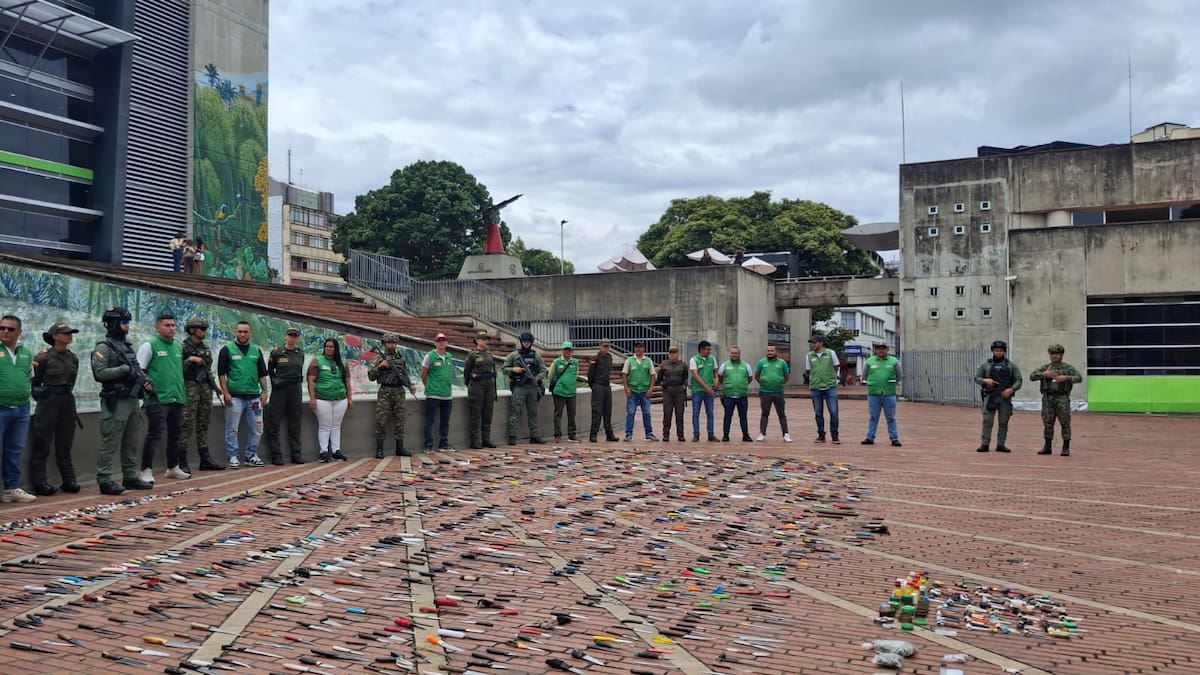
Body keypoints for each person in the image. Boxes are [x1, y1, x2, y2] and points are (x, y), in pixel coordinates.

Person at [91, 307, 150, 495]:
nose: (127, 327)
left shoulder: (127, 347)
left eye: (128, 323)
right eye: (124, 323)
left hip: (131, 400)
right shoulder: (103, 348)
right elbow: (99, 373)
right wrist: (123, 370)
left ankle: (130, 476)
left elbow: (137, 369)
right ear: (114, 324)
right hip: (115, 401)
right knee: (110, 442)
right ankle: (105, 479)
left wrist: (146, 380)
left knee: (131, 442)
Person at [28, 322, 81, 496]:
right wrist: (43, 397)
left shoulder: (73, 358)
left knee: (65, 443)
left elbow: (72, 381)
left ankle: (69, 480)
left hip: (67, 401)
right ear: (55, 336)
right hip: (49, 402)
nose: (69, 336)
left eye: (70, 333)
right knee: (42, 443)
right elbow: (34, 383)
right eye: (65, 333)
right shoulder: (42, 358)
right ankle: (40, 482)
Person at [137, 313, 189, 484]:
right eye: (167, 325)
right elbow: (139, 370)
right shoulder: (149, 345)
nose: (172, 328)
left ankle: (173, 467)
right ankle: (145, 469)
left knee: (175, 434)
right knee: (154, 434)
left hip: (176, 398)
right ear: (157, 327)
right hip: (157, 399)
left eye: (173, 325)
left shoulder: (178, 347)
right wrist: (147, 387)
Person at [218, 320, 269, 467]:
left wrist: (265, 391)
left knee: (257, 427)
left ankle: (251, 455)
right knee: (232, 428)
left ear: (250, 333)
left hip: (254, 397)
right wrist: (226, 393)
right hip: (235, 397)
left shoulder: (256, 350)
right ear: (235, 332)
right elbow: (221, 374)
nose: (242, 334)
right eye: (240, 331)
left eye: (245, 331)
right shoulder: (227, 350)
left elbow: (262, 374)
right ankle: (233, 456)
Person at [0, 315, 36, 503]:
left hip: (21, 409)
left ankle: (11, 488)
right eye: (2, 327)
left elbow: (28, 377)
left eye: (10, 329)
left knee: (14, 450)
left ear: (19, 332)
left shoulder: (26, 353)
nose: (5, 331)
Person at [181, 316, 223, 471]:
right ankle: (182, 459)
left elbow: (208, 370)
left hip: (205, 388)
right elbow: (177, 369)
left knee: (203, 424)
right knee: (187, 424)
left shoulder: (205, 348)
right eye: (202, 329)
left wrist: (215, 386)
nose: (204, 331)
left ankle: (205, 458)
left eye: (205, 328)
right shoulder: (183, 347)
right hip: (190, 387)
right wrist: (189, 360)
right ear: (192, 330)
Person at [369, 332, 417, 457]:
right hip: (385, 391)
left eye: (393, 342)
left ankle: (400, 448)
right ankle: (379, 449)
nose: (391, 345)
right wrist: (380, 366)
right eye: (389, 342)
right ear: (384, 344)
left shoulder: (400, 358)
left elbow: (404, 374)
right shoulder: (379, 358)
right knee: (381, 420)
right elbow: (371, 376)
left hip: (399, 391)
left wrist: (410, 385)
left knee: (400, 420)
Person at [1032, 344, 1082, 457]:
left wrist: (1066, 378)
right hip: (1048, 398)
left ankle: (1065, 447)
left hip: (1062, 397)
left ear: (1061, 355)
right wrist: (1043, 374)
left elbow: (1079, 378)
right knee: (1048, 422)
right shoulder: (1045, 367)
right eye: (1052, 354)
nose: (1054, 356)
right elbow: (1032, 376)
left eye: (1057, 354)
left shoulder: (1067, 368)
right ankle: (1047, 446)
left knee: (1065, 422)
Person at [265, 327, 306, 464]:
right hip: (280, 389)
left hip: (295, 389)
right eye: (290, 335)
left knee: (295, 423)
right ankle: (276, 454)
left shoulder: (300, 353)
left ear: (297, 338)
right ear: (285, 337)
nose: (292, 338)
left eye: (295, 336)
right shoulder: (277, 352)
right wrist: (275, 382)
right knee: (274, 422)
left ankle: (296, 454)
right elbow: (270, 371)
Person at [308, 337, 352, 462]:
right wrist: (312, 398)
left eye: (331, 347)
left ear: (336, 348)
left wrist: (350, 398)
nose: (329, 348)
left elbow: (347, 381)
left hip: (340, 399)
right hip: (322, 399)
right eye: (327, 346)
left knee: (336, 426)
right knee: (324, 426)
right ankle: (323, 452)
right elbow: (310, 381)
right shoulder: (317, 361)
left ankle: (336, 450)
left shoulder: (343, 363)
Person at [975, 340, 1022, 453]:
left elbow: (1019, 380)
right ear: (992, 351)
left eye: (1001, 351)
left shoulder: (1011, 366)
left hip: (1004, 398)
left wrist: (1011, 389)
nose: (998, 353)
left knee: (1003, 422)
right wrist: (985, 380)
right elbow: (976, 378)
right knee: (987, 421)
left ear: (1004, 352)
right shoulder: (986, 365)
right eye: (996, 350)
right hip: (990, 397)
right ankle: (985, 444)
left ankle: (1001, 444)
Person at [503, 331, 545, 445]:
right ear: (521, 342)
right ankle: (512, 436)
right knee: (516, 411)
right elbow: (504, 369)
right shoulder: (514, 355)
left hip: (532, 387)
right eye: (524, 342)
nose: (526, 344)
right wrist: (514, 370)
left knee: (533, 413)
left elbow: (543, 371)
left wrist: (537, 378)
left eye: (528, 342)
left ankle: (534, 435)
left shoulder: (536, 355)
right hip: (519, 386)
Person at [862, 342, 902, 447]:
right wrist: (873, 383)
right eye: (879, 348)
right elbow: (864, 376)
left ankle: (894, 438)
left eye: (883, 348)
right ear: (875, 350)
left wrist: (892, 382)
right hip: (873, 393)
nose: (881, 350)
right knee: (873, 417)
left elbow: (900, 375)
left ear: (887, 350)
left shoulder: (893, 361)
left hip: (889, 394)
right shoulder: (870, 361)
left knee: (891, 417)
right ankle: (870, 437)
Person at [461, 331, 497, 450]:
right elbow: (467, 372)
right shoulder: (472, 354)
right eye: (481, 339)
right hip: (477, 385)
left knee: (488, 413)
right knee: (476, 414)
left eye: (485, 339)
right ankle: (475, 441)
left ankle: (486, 439)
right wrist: (470, 385)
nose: (484, 341)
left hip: (489, 385)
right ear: (476, 340)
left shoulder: (489, 354)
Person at [421, 333, 456, 451]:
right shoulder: (430, 356)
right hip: (433, 394)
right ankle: (428, 445)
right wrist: (430, 386)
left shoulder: (450, 356)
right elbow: (423, 374)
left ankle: (443, 444)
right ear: (435, 343)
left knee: (445, 421)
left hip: (447, 394)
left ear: (447, 343)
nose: (441, 343)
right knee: (429, 420)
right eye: (439, 341)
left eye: (443, 341)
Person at [805, 335, 840, 444]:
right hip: (816, 387)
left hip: (830, 386)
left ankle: (834, 435)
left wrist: (831, 377)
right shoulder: (809, 355)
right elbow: (809, 370)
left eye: (814, 342)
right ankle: (821, 435)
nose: (813, 345)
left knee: (834, 412)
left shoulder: (830, 353)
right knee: (818, 413)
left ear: (821, 343)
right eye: (812, 343)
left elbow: (836, 366)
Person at [755, 344, 791, 442]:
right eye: (768, 351)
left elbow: (786, 376)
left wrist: (779, 383)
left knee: (781, 414)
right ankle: (762, 433)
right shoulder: (761, 362)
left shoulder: (782, 363)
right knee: (765, 413)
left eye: (772, 351)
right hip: (765, 392)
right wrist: (764, 383)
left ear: (776, 352)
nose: (769, 353)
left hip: (778, 392)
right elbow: (756, 376)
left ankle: (786, 434)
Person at [717, 346, 753, 442]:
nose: (734, 355)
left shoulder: (746, 366)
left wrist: (741, 385)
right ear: (730, 354)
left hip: (742, 396)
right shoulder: (724, 365)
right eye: (732, 353)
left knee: (743, 416)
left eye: (736, 353)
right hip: (728, 396)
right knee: (727, 416)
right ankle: (725, 435)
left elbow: (750, 378)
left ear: (739, 354)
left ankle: (745, 435)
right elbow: (720, 377)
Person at [622, 341, 657, 442]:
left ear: (644, 349)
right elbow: (624, 374)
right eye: (637, 347)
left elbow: (653, 375)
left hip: (645, 392)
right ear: (634, 349)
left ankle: (649, 433)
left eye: (640, 347)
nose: (638, 349)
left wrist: (651, 389)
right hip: (632, 391)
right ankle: (628, 434)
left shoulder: (648, 361)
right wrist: (626, 389)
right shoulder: (629, 360)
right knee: (631, 412)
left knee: (646, 413)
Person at [586, 338, 618, 443]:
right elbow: (590, 374)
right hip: (598, 385)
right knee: (597, 412)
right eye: (604, 346)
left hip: (606, 386)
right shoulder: (595, 358)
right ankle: (593, 435)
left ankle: (609, 434)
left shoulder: (609, 357)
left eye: (607, 346)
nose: (606, 348)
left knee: (607, 411)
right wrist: (594, 385)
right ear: (600, 346)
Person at [550, 341, 581, 443]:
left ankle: (572, 435)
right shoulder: (556, 362)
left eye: (569, 349)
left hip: (571, 392)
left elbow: (576, 375)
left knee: (572, 414)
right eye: (565, 349)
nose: (567, 351)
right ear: (562, 350)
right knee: (558, 414)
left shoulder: (575, 362)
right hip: (559, 391)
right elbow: (551, 375)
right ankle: (557, 435)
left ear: (572, 351)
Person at [657, 346, 688, 442]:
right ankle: (665, 434)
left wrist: (683, 386)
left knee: (679, 414)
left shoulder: (682, 365)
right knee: (667, 413)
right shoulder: (664, 364)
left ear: (677, 354)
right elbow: (659, 378)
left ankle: (680, 435)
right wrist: (663, 384)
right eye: (671, 353)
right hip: (668, 390)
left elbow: (685, 377)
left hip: (679, 390)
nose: (672, 355)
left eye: (674, 353)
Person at [689, 341, 717, 442]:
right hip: (698, 391)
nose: (710, 351)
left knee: (710, 413)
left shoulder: (712, 359)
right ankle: (696, 434)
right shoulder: (694, 360)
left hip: (709, 391)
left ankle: (711, 434)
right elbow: (696, 376)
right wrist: (706, 387)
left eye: (710, 349)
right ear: (701, 350)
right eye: (708, 349)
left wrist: (716, 381)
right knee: (696, 413)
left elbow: (715, 372)